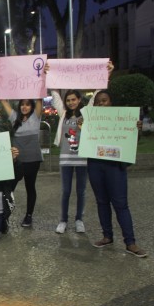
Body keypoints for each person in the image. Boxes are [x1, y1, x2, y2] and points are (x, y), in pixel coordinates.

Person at [88, 90, 147, 258]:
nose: (101, 104)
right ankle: (107, 236)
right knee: (101, 202)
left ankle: (130, 242)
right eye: (98, 102)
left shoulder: (123, 119)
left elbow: (130, 141)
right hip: (95, 164)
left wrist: (136, 130)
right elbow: (81, 141)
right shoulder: (90, 121)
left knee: (121, 204)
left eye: (104, 101)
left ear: (111, 102)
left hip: (114, 166)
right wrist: (81, 126)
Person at [1, 98, 43, 227]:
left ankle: (28, 216)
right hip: (17, 160)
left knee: (30, 187)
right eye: (22, 104)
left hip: (33, 159)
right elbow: (4, 100)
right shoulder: (15, 118)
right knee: (9, 187)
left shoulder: (36, 117)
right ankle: (4, 216)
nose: (24, 107)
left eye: (28, 105)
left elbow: (40, 97)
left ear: (32, 106)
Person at [51, 89, 87, 234]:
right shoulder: (63, 114)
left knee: (81, 191)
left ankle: (79, 220)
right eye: (68, 100)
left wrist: (107, 75)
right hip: (65, 158)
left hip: (83, 158)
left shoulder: (86, 115)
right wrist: (50, 77)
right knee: (66, 191)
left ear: (79, 100)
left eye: (73, 99)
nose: (71, 102)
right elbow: (56, 97)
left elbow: (95, 97)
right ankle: (63, 220)